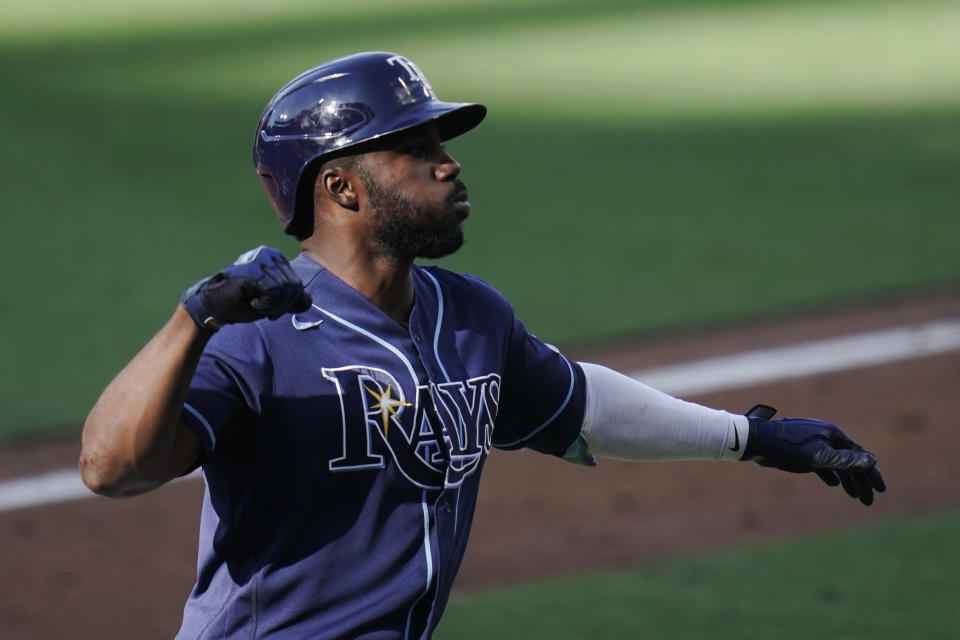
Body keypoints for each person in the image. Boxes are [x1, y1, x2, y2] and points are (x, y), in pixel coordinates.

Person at [78, 51, 886, 639]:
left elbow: (577, 404)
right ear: (341, 187)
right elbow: (110, 467)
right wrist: (194, 320)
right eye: (417, 150)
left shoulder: (468, 316)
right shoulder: (257, 334)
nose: (449, 165)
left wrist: (755, 437)